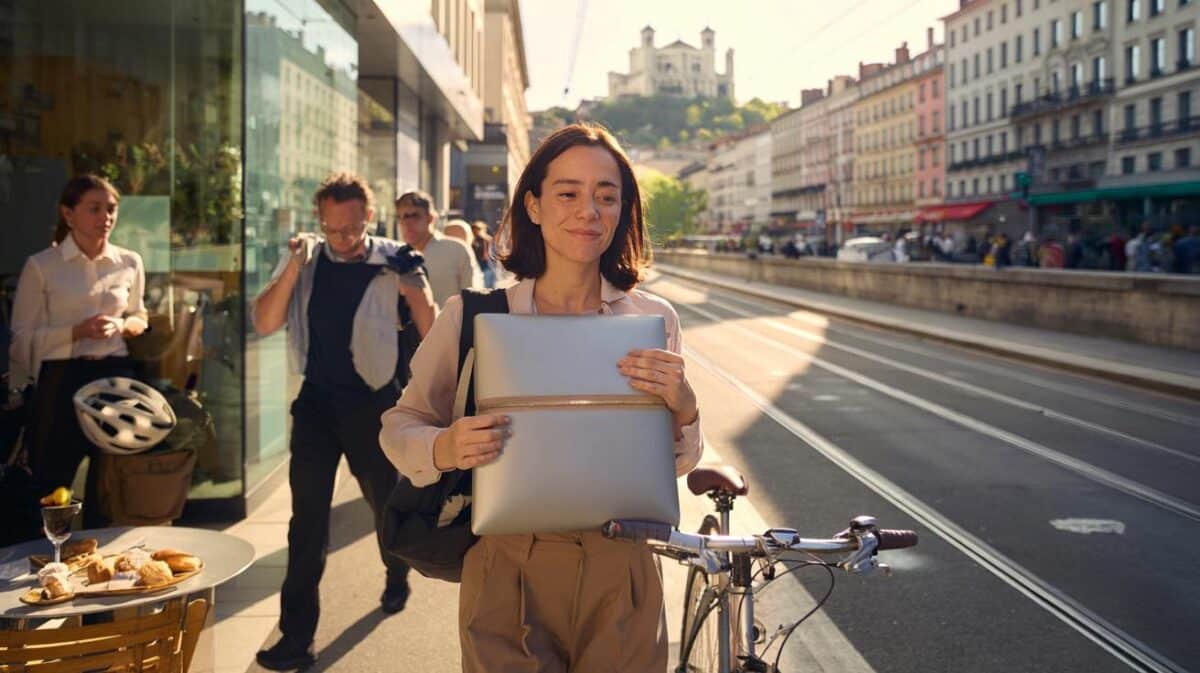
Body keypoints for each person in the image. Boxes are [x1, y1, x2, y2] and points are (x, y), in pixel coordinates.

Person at [379, 123, 704, 672]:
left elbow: (677, 464)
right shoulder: (475, 316)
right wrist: (446, 446)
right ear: (533, 205)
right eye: (568, 193)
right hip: (506, 568)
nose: (589, 211)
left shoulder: (653, 319)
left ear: (623, 211)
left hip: (623, 568)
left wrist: (686, 408)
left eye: (607, 196)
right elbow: (399, 425)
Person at [252, 173, 436, 671]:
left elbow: (432, 327)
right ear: (321, 221)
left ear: (367, 218)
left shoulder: (395, 258)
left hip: (373, 407)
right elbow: (264, 321)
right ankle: (297, 640)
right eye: (333, 230)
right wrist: (292, 265)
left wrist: (411, 286)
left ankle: (396, 574)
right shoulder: (306, 260)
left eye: (352, 229)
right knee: (306, 523)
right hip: (316, 405)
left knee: (384, 505)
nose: (343, 240)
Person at [8, 174, 147, 529]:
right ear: (68, 214)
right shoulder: (42, 266)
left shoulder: (129, 261)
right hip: (62, 378)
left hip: (115, 376)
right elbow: (22, 338)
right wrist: (76, 332)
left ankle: (107, 567)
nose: (106, 217)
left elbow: (139, 316)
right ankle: (51, 563)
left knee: (113, 480)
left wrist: (121, 325)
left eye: (112, 209)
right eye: (95, 208)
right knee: (53, 481)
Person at [395, 190, 483, 307]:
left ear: (430, 218)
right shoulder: (396, 255)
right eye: (401, 217)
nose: (407, 223)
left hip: (451, 324)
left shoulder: (457, 250)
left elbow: (474, 300)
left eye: (414, 216)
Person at [470, 220, 498, 287]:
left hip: (488, 264)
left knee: (490, 284)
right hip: (479, 264)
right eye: (475, 230)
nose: (477, 232)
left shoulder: (487, 239)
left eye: (479, 229)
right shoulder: (473, 240)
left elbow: (492, 252)